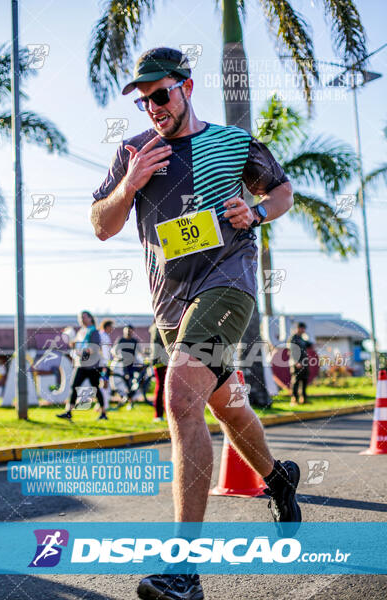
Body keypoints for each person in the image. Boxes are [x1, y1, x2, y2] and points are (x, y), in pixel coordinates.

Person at [91, 47, 300, 600]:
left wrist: (255, 212)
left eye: (161, 94)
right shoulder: (135, 151)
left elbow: (281, 192)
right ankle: (279, 478)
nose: (153, 107)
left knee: (180, 395)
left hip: (227, 284)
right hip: (171, 306)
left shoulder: (232, 144)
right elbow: (102, 225)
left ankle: (183, 570)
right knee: (226, 406)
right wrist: (128, 184)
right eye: (144, 100)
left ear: (186, 87)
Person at [56, 310, 107, 421]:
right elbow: (76, 344)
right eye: (80, 317)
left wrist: (84, 351)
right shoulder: (81, 331)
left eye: (84, 317)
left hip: (92, 365)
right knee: (74, 386)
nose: (82, 319)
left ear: (90, 318)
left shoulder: (94, 331)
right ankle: (68, 412)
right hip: (81, 364)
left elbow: (95, 347)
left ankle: (103, 413)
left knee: (95, 388)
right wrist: (71, 341)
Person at [113, 324, 141, 409]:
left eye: (130, 331)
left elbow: (139, 352)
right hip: (123, 365)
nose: (128, 332)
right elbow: (114, 350)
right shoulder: (121, 340)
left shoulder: (134, 341)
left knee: (136, 381)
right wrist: (117, 357)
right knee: (126, 382)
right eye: (126, 330)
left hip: (132, 364)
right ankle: (128, 400)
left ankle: (130, 399)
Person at [288, 322, 313, 405]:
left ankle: (303, 399)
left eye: (304, 328)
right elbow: (291, 351)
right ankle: (294, 399)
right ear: (297, 328)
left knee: (304, 381)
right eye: (302, 328)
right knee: (296, 382)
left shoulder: (302, 339)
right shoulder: (293, 338)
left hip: (304, 363)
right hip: (296, 364)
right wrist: (296, 362)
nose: (303, 330)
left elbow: (309, 344)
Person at [149, 320, 168, 422]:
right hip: (162, 361)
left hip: (160, 360)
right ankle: (158, 414)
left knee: (162, 387)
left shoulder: (154, 327)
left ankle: (161, 414)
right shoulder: (158, 327)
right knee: (162, 387)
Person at [99, 319, 115, 411]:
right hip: (103, 364)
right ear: (107, 326)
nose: (112, 329)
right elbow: (103, 351)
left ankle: (103, 405)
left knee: (105, 384)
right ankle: (104, 406)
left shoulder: (105, 336)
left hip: (105, 363)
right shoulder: (102, 336)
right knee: (104, 384)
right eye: (111, 327)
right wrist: (104, 364)